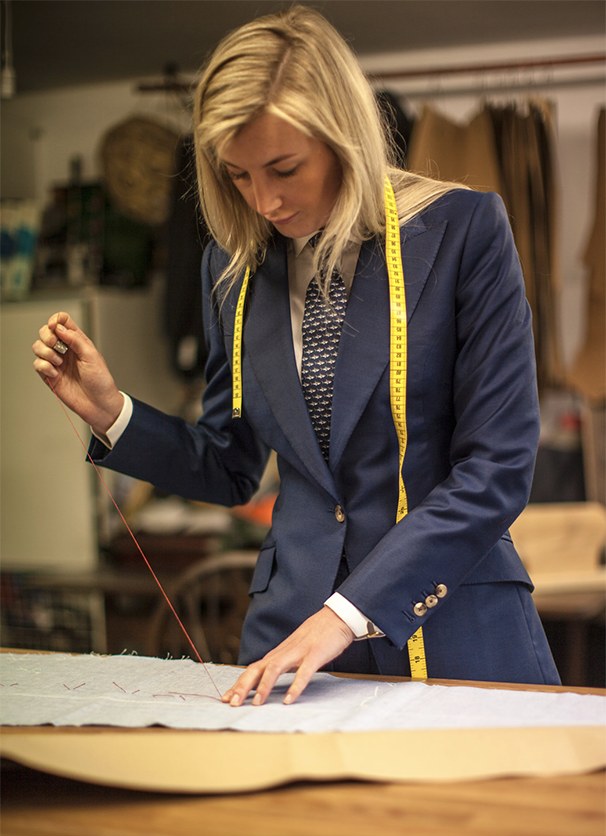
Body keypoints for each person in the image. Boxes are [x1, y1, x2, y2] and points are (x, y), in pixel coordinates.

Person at [33, 6, 560, 706]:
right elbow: (232, 465)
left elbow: (497, 467)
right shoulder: (234, 267)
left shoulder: (464, 233)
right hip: (290, 649)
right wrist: (112, 412)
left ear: (343, 136)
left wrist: (343, 615)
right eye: (239, 176)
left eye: (284, 168)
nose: (265, 199)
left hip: (453, 626)